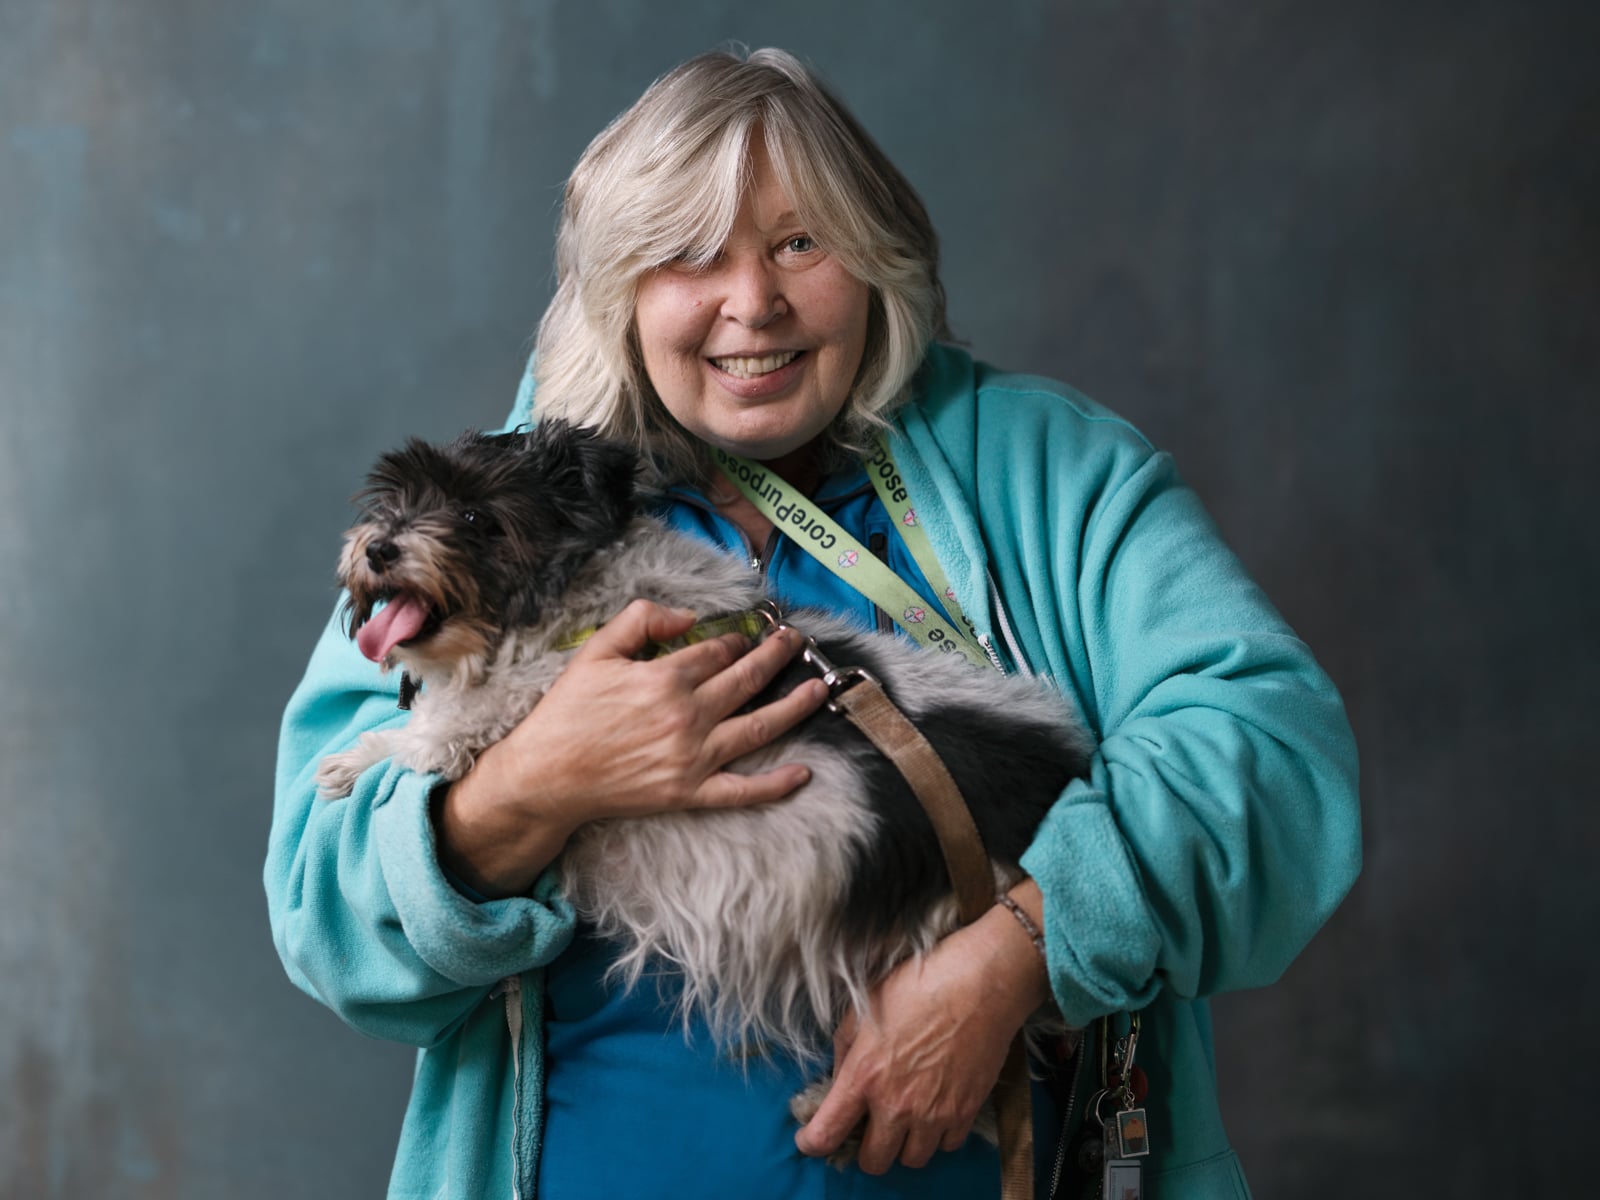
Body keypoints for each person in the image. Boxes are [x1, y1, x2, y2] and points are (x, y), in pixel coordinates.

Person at [266, 47, 1360, 1199]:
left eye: (800, 243)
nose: (754, 305)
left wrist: (1013, 958)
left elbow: (1273, 762)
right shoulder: (491, 516)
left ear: (878, 258)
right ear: (617, 288)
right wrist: (535, 784)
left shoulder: (1049, 472)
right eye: (691, 254)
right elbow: (327, 914)